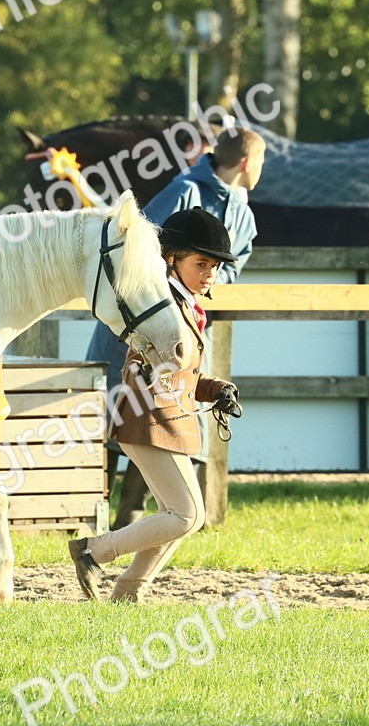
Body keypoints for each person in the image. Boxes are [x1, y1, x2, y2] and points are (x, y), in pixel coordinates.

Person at [86, 127, 262, 529]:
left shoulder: (244, 215)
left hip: (188, 329)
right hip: (141, 326)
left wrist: (194, 299)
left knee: (169, 415)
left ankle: (131, 515)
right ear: (249, 162)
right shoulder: (183, 190)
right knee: (121, 410)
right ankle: (96, 517)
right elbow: (140, 245)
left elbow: (232, 271)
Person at [70, 207, 243, 603]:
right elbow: (138, 357)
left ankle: (129, 591)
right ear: (171, 259)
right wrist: (145, 376)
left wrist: (215, 388)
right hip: (147, 421)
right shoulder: (158, 307)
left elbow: (184, 373)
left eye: (214, 266)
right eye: (200, 263)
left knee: (177, 518)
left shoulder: (187, 306)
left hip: (169, 421)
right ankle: (93, 552)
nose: (209, 274)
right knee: (187, 515)